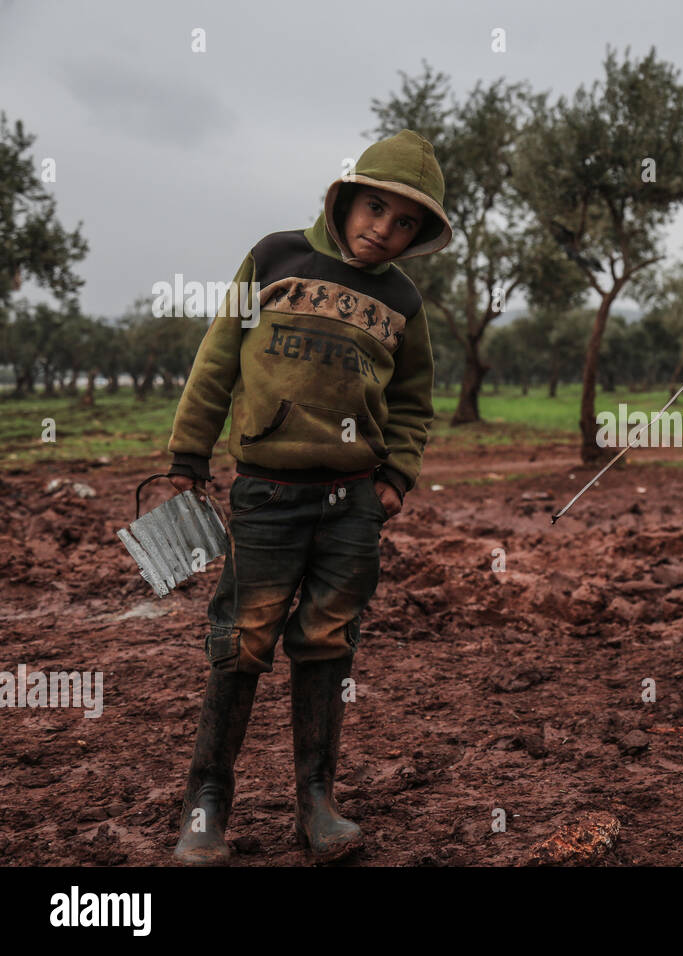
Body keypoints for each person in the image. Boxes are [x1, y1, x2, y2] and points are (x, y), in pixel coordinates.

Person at [164, 129, 452, 864]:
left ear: (417, 236)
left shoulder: (402, 301)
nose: (383, 228)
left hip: (353, 503)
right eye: (374, 208)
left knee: (327, 642)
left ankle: (317, 805)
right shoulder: (275, 259)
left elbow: (416, 403)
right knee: (241, 641)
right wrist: (187, 454)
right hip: (266, 494)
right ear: (346, 197)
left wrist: (395, 479)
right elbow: (217, 357)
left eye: (404, 222)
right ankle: (206, 805)